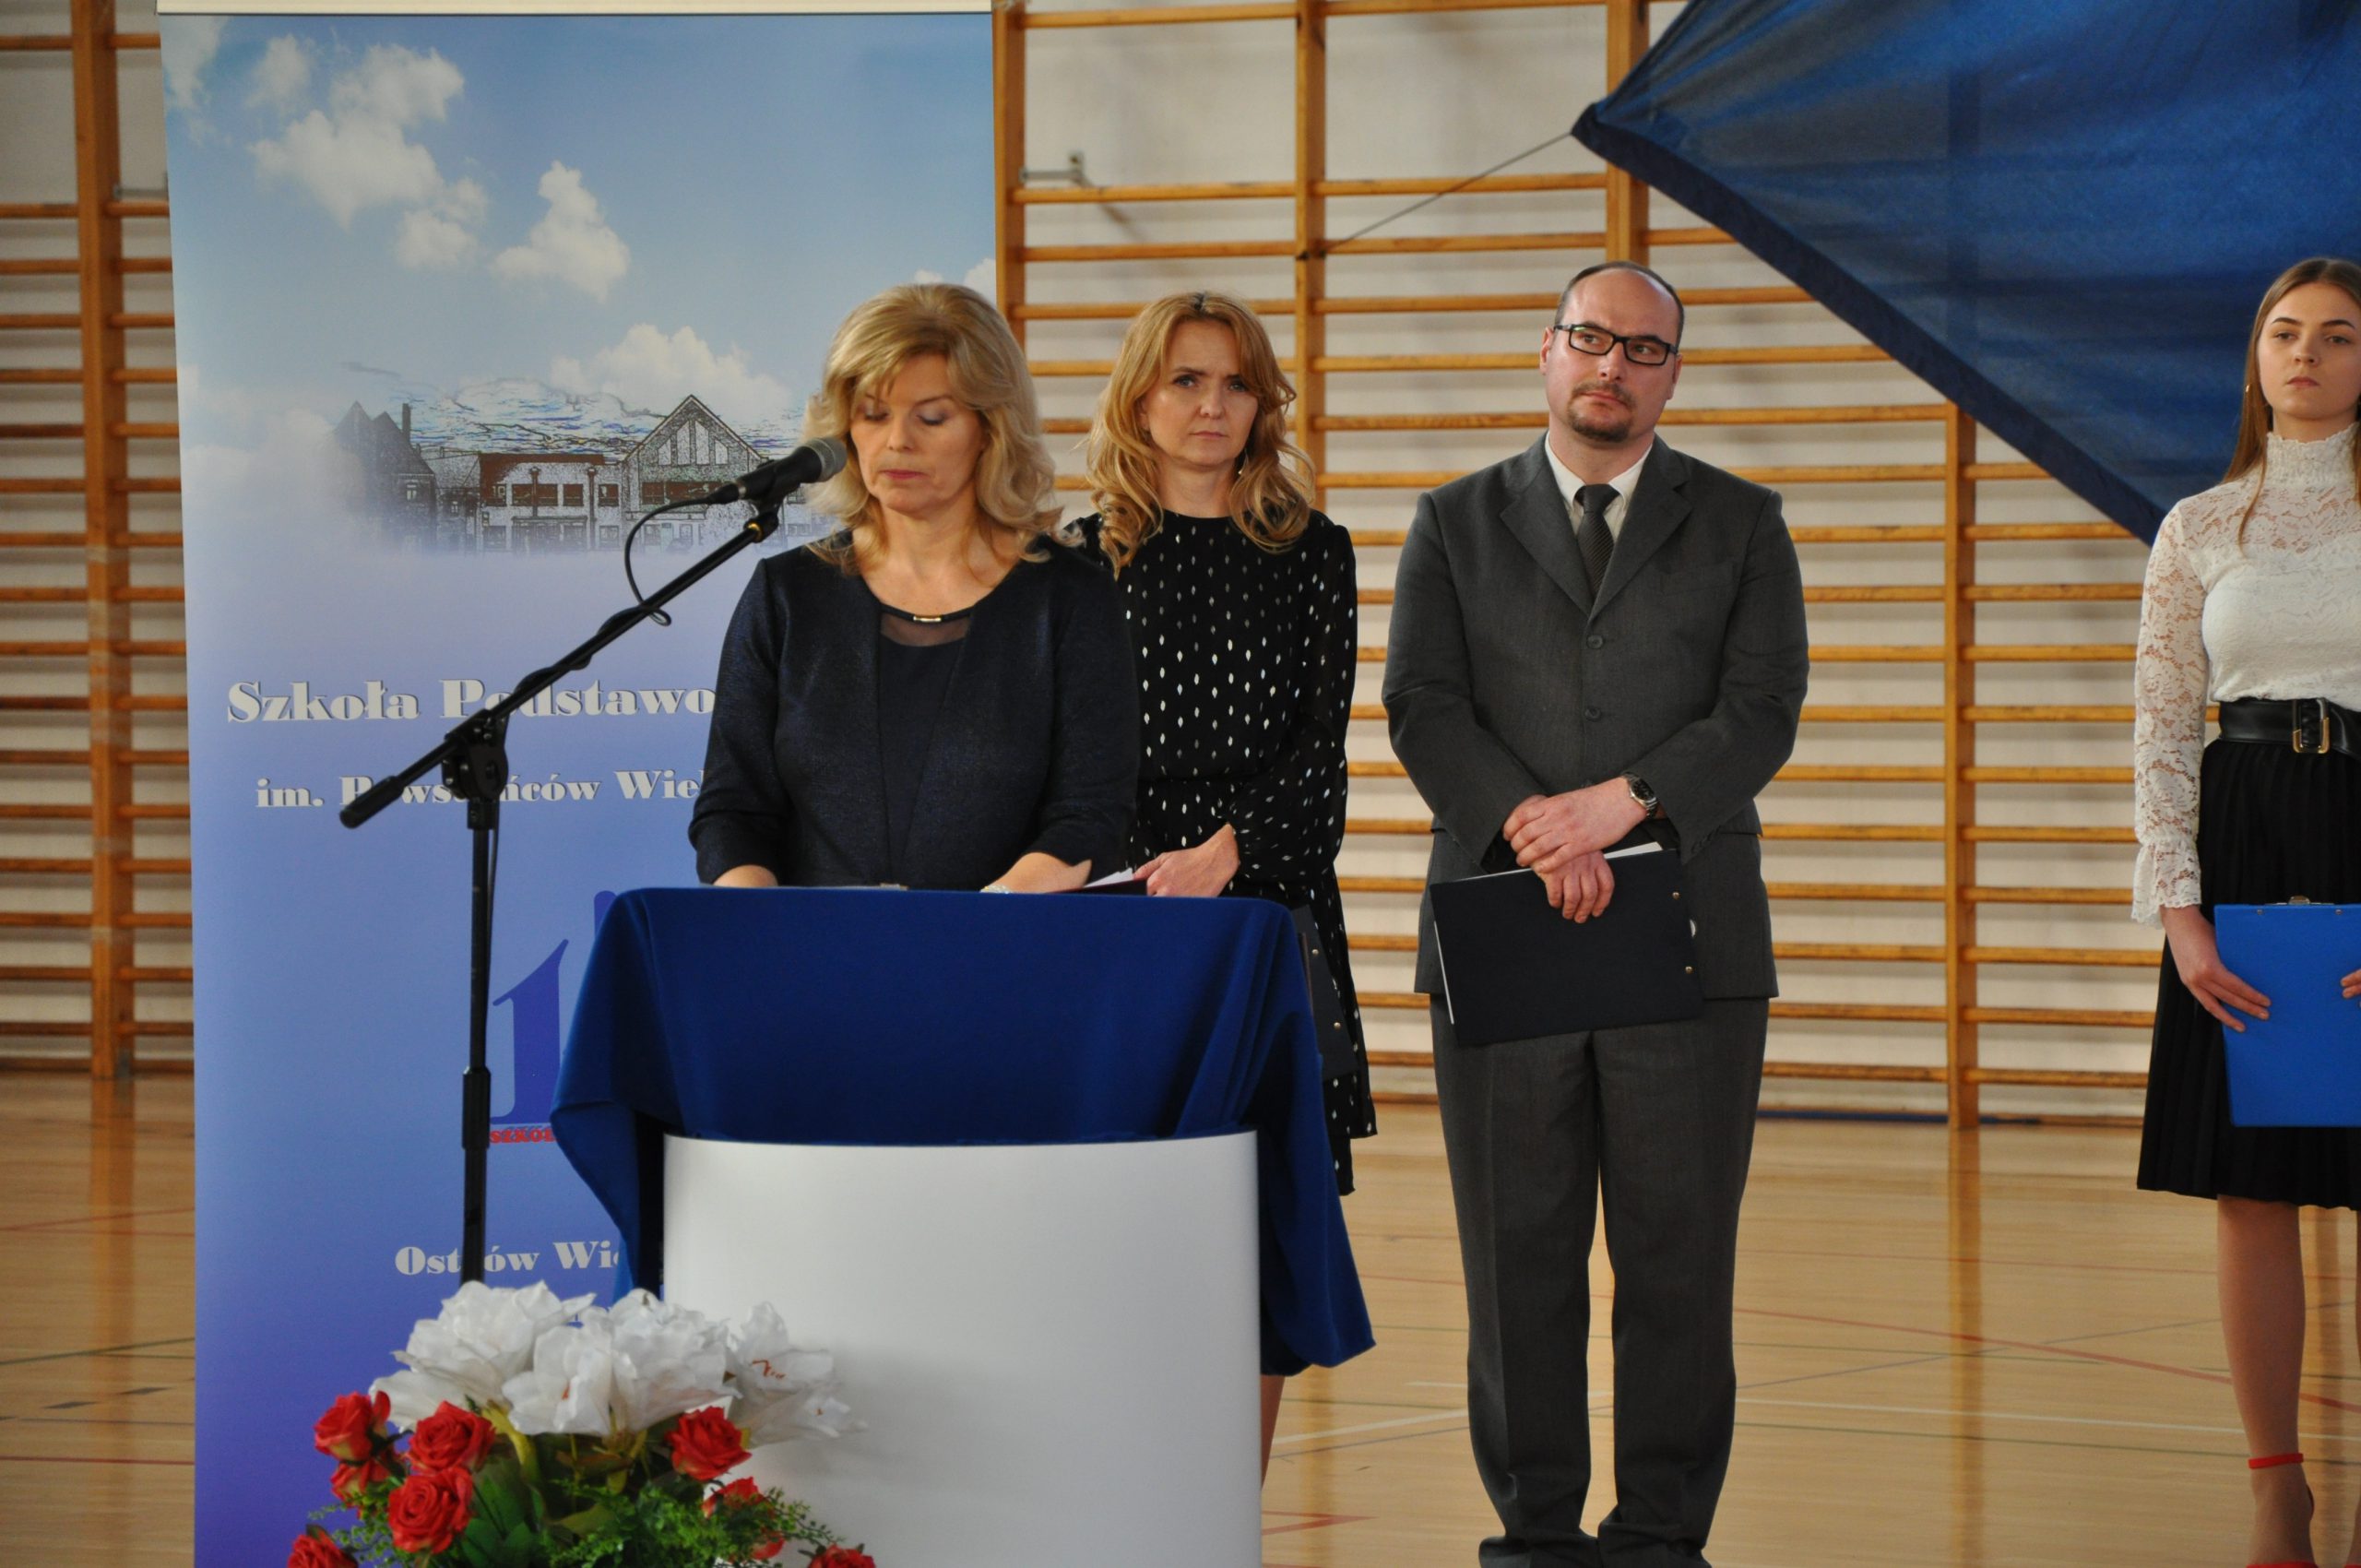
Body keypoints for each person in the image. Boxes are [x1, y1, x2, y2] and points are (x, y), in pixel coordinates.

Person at [1382, 259, 1808, 1566]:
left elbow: (1761, 709)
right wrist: (1534, 824)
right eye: (1589, 338)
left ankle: (1660, 1537)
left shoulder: (1742, 522)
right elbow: (1422, 705)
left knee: (1678, 1259)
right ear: (1547, 349)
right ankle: (1535, 1535)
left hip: (1688, 934)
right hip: (1503, 926)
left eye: (1642, 348)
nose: (1611, 365)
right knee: (1516, 1259)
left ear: (1673, 374)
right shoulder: (1451, 521)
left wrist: (1620, 805)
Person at [1074, 290, 1375, 1476]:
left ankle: (1222, 1515)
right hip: (1110, 923)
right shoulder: (1073, 557)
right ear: (1139, 397)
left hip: (1263, 914)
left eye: (1236, 382)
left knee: (1258, 1220)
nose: (1212, 405)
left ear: (1263, 404)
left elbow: (1320, 758)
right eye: (1186, 380)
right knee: (1111, 1217)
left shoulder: (1313, 552)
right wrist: (1124, 875)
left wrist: (1225, 852)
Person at [2132, 255, 2361, 1568]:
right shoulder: (2198, 524)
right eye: (2285, 332)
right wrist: (2182, 912)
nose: (2307, 354)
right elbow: (2163, 727)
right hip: (2243, 843)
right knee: (2252, 1184)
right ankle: (2278, 1488)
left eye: (2337, 334)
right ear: (2255, 357)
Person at [690, 282, 1137, 892]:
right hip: (809, 946)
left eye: (932, 417)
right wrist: (763, 927)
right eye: (874, 415)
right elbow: (733, 812)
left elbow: (1090, 815)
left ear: (991, 429)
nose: (898, 441)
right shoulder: (787, 594)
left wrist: (971, 924)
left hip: (1002, 941)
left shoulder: (1071, 599)